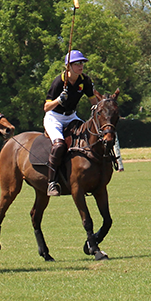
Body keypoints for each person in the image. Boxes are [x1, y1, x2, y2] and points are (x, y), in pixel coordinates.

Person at [43, 50, 103, 196]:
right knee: (59, 145)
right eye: (77, 63)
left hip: (71, 116)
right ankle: (52, 183)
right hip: (54, 118)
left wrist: (96, 110)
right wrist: (59, 100)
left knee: (88, 138)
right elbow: (46, 107)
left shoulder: (85, 81)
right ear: (68, 66)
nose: (81, 66)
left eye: (82, 63)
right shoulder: (59, 81)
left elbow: (93, 101)